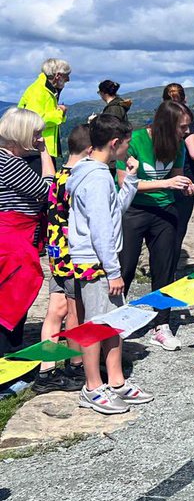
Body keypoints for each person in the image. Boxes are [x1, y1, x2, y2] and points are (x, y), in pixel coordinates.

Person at [68, 114, 152, 414]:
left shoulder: (97, 173)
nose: (129, 150)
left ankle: (116, 381)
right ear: (115, 143)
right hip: (96, 261)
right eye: (127, 145)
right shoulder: (98, 177)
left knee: (113, 320)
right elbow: (102, 229)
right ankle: (92, 386)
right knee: (94, 325)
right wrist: (114, 270)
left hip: (100, 259)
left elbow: (114, 211)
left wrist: (129, 180)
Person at [119, 100, 194, 349]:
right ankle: (116, 322)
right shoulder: (134, 141)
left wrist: (185, 184)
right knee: (125, 267)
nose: (187, 132)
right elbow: (125, 183)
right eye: (183, 127)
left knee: (164, 268)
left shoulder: (179, 145)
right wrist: (165, 184)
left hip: (164, 209)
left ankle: (161, 325)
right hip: (134, 209)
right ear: (166, 125)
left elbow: (174, 175)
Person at [32, 124, 92, 393]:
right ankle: (76, 364)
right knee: (74, 310)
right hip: (74, 255)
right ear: (90, 150)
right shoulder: (79, 179)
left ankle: (46, 371)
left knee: (54, 311)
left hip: (56, 253)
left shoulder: (57, 177)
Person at [0, 108, 55, 355]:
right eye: (36, 134)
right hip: (15, 239)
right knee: (13, 296)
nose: (39, 138)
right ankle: (7, 362)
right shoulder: (11, 164)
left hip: (8, 235)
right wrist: (45, 152)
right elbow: (48, 191)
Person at [163, 83, 194, 266]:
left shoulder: (161, 120)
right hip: (184, 178)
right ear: (185, 99)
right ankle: (171, 268)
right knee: (178, 227)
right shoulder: (186, 120)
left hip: (162, 177)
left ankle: (162, 267)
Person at [17, 58, 70, 163]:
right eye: (66, 76)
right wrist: (60, 113)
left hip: (41, 149)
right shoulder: (38, 91)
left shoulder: (47, 90)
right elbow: (35, 121)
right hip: (35, 150)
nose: (68, 79)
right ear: (57, 76)